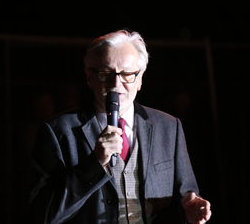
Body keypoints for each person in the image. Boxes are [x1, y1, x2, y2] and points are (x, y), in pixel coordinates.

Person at [29, 29, 212, 224]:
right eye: (106, 73)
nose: (116, 84)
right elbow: (42, 215)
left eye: (127, 74)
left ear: (140, 78)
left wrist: (190, 205)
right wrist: (95, 163)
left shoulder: (167, 127)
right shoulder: (58, 131)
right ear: (89, 76)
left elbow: (186, 192)